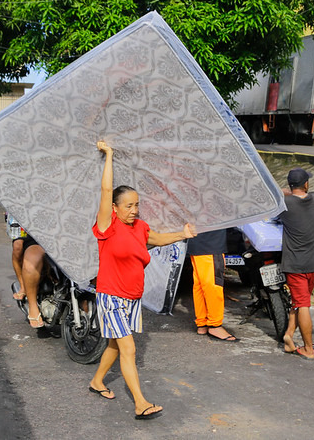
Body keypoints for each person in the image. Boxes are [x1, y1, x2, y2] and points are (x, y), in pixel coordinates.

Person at [89, 141, 196, 421]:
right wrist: (109, 155)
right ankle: (140, 403)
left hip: (133, 297)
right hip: (111, 296)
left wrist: (182, 234)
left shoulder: (139, 227)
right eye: (128, 206)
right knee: (128, 348)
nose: (134, 210)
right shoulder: (107, 225)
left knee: (115, 345)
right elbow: (105, 190)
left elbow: (157, 239)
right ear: (114, 208)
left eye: (137, 205)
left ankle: (97, 381)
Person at [278, 167, 314, 360]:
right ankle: (289, 336)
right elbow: (297, 194)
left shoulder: (284, 205)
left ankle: (308, 348)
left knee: (302, 304)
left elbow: (278, 201)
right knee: (299, 301)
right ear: (306, 184)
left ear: (290, 185)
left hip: (296, 265)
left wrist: (282, 191)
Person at [186, 229, 239, 341]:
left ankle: (202, 323)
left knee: (200, 285)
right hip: (211, 242)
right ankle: (215, 325)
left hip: (197, 240)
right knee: (213, 283)